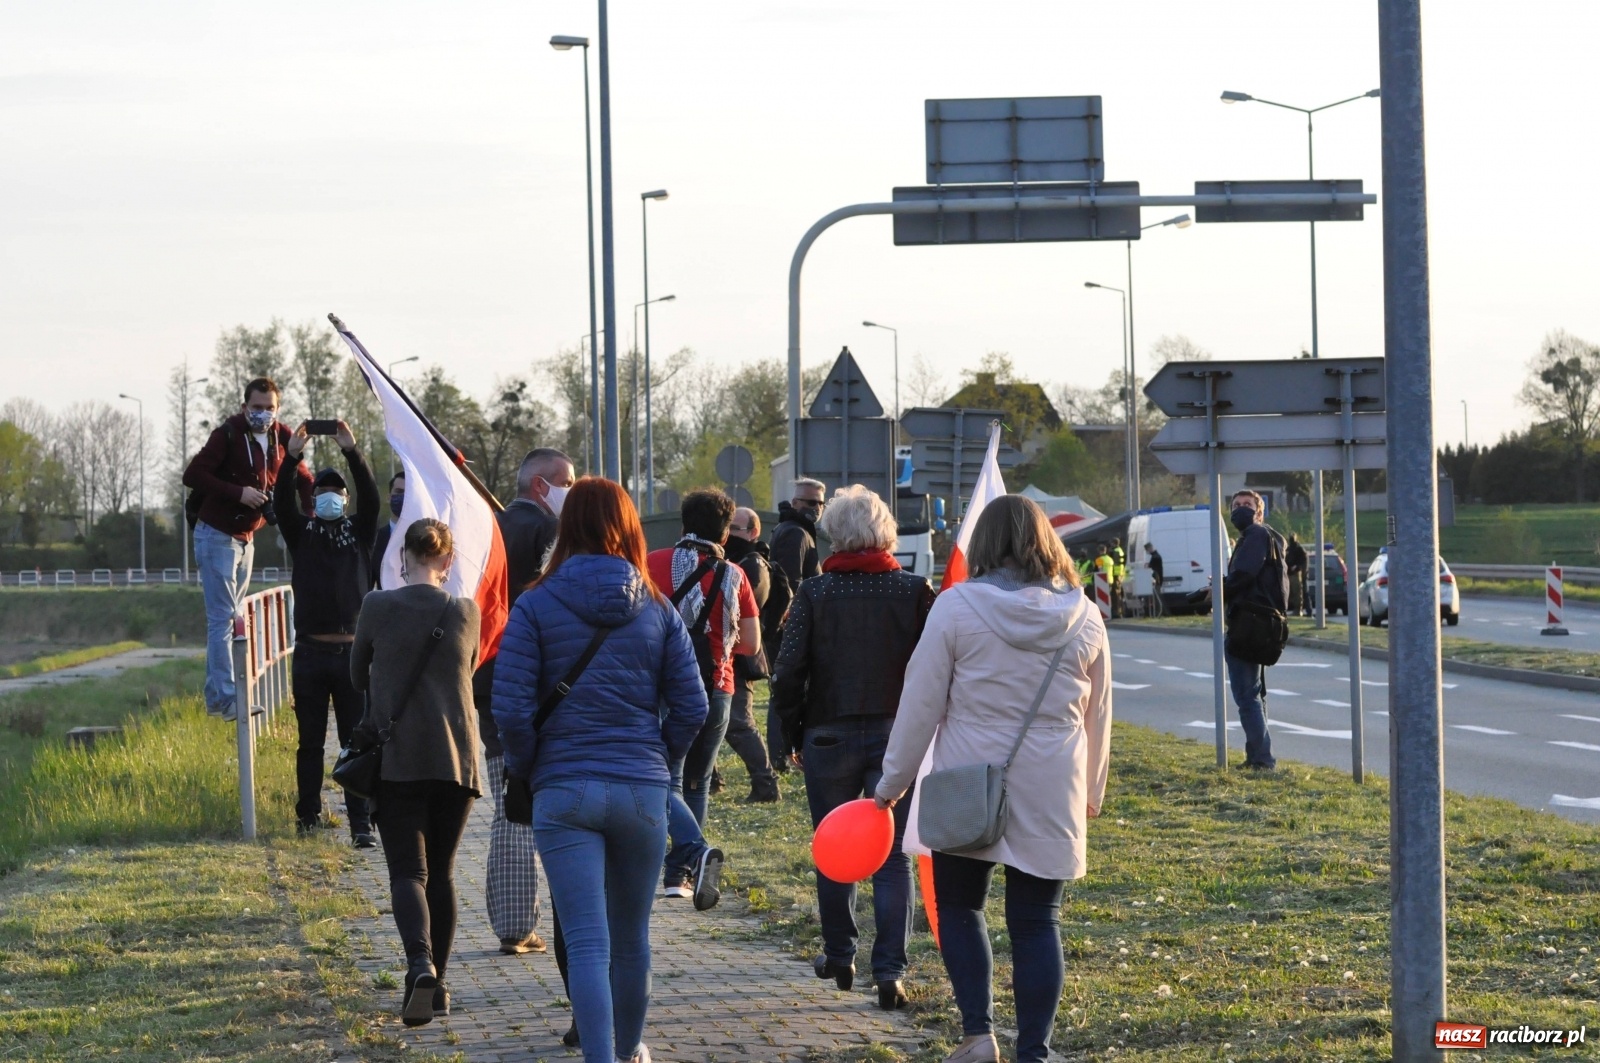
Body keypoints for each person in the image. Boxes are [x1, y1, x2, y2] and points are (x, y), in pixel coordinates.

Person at [874, 495, 1112, 1063]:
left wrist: (892, 783)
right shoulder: (1086, 614)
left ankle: (979, 1034)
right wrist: (1094, 792)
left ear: (982, 543)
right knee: (1036, 920)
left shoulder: (955, 609)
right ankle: (1035, 1049)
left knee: (959, 906)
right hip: (1053, 784)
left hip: (966, 777)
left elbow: (919, 704)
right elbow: (1099, 714)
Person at [492, 478, 709, 1063]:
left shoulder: (535, 603)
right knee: (631, 940)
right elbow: (694, 705)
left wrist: (529, 765)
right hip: (641, 790)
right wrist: (660, 762)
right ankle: (633, 1047)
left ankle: (600, 1057)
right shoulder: (658, 608)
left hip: (564, 789)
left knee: (587, 941)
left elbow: (510, 707)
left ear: (566, 529)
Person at [770, 485, 934, 1011]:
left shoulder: (816, 594)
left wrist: (791, 734)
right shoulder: (915, 591)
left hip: (828, 733)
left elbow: (789, 671)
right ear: (886, 531)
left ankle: (840, 953)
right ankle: (890, 971)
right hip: (897, 736)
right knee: (891, 861)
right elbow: (936, 671)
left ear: (834, 533)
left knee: (834, 850)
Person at [350, 518, 483, 1029]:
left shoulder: (377, 606)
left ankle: (418, 966)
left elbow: (357, 673)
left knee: (409, 872)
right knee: (444, 875)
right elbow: (467, 669)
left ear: (403, 557)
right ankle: (440, 987)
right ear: (448, 562)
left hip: (398, 759)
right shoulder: (465, 611)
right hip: (456, 760)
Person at [475, 447, 574, 957]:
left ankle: (513, 922)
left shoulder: (484, 529)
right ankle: (529, 922)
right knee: (528, 803)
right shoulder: (551, 536)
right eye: (567, 482)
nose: (571, 492)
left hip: (488, 677)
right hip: (540, 683)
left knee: (507, 796)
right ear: (541, 486)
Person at [645, 489, 760, 898]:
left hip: (662, 689)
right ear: (726, 534)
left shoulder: (651, 564)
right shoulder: (736, 576)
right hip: (717, 687)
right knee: (697, 782)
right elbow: (750, 644)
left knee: (664, 780)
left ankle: (682, 863)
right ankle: (683, 874)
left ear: (682, 525)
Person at [272, 420, 380, 844]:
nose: (331, 497)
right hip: (311, 654)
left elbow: (372, 498)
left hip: (353, 655)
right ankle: (308, 817)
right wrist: (292, 456)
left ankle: (359, 824)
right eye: (323, 492)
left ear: (346, 499)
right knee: (310, 742)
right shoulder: (303, 533)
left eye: (337, 492)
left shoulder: (360, 532)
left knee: (356, 741)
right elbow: (282, 501)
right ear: (314, 500)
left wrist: (351, 451)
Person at [183, 377, 312, 719]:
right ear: (244, 407)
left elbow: (304, 479)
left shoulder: (281, 437)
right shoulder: (227, 434)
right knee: (223, 619)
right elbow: (193, 474)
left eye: (269, 408)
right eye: (256, 408)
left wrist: (309, 519)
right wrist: (237, 492)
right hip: (216, 534)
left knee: (235, 617)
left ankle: (216, 697)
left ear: (277, 409)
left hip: (246, 537)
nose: (263, 414)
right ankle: (228, 700)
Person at [1221, 489, 1288, 771]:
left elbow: (1245, 574)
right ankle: (1256, 755)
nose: (1240, 509)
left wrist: (1222, 588)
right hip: (1263, 623)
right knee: (1256, 694)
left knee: (1246, 695)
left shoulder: (1257, 535)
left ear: (1259, 512)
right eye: (1236, 505)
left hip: (1248, 623)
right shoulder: (1270, 537)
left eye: (1247, 505)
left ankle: (1262, 759)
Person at [721, 506, 782, 803]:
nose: (730, 534)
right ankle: (711, 780)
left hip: (742, 657)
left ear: (753, 532)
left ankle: (766, 784)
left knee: (738, 724)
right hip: (730, 654)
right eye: (727, 528)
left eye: (737, 529)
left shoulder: (754, 564)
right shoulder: (738, 561)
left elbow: (743, 608)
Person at [768, 477, 825, 769]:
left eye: (818, 503)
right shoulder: (796, 534)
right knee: (787, 686)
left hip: (788, 622)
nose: (814, 508)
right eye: (808, 502)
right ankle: (779, 756)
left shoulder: (796, 530)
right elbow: (792, 583)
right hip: (791, 624)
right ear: (795, 503)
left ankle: (779, 754)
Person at [371, 471, 405, 589]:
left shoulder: (427, 537)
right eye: (399, 492)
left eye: (409, 493)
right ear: (388, 497)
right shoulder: (375, 539)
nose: (403, 497)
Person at [1285, 532, 1308, 617]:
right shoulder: (1288, 548)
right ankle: (1292, 609)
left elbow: (1303, 560)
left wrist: (1297, 567)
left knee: (1297, 592)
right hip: (1288, 573)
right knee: (1289, 592)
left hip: (1295, 573)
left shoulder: (1299, 548)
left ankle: (1298, 610)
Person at [1143, 542, 1166, 618]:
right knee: (1156, 598)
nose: (1147, 552)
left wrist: (1148, 566)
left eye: (1147, 550)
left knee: (1157, 598)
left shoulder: (1155, 557)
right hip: (1157, 579)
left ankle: (1159, 613)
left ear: (1149, 548)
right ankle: (1158, 613)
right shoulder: (1155, 556)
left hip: (1157, 580)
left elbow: (1152, 567)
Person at [1108, 536, 1127, 617]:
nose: (1110, 545)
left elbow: (1112, 563)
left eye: (1111, 543)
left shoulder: (1114, 551)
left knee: (1115, 595)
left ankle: (1116, 613)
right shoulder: (1121, 551)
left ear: (1114, 543)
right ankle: (1120, 611)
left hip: (1115, 575)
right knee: (1119, 594)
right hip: (1120, 574)